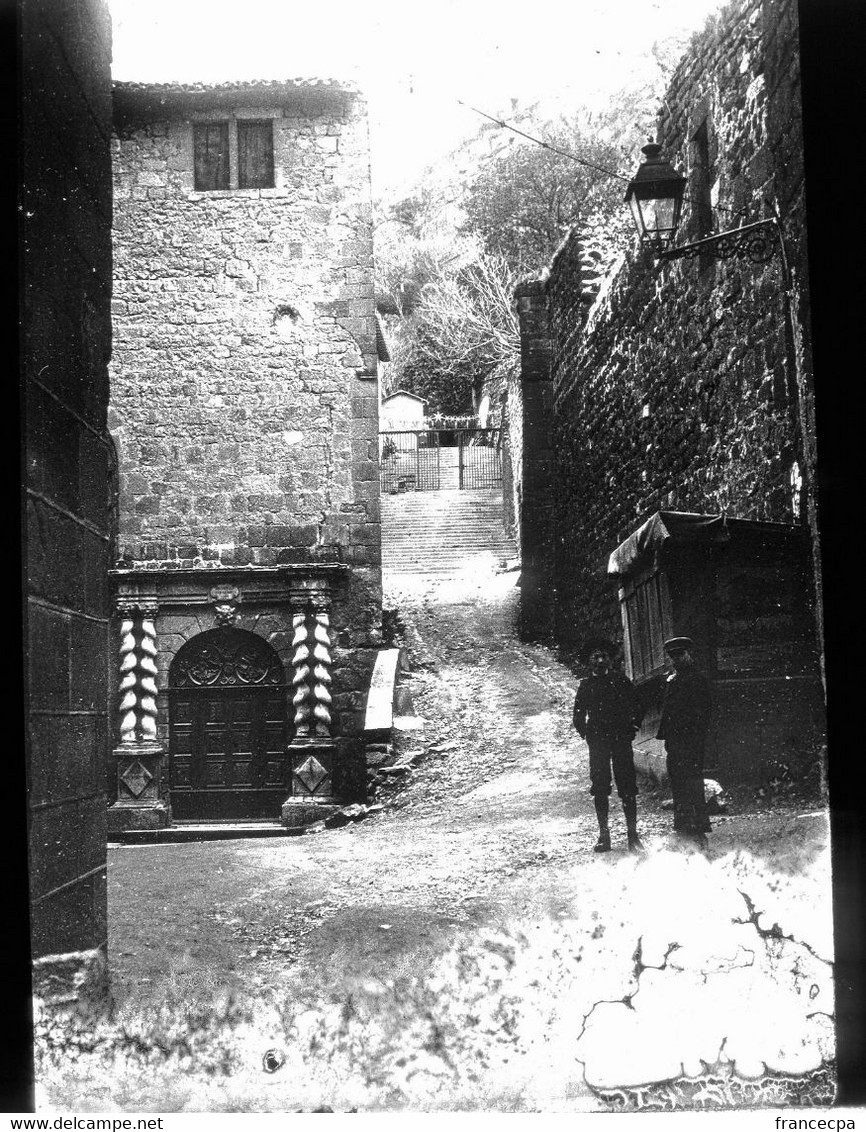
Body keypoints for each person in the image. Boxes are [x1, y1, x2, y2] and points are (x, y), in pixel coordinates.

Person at [573, 636, 645, 853]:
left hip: (621, 740)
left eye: (604, 656)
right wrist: (589, 735)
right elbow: (578, 716)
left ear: (610, 660)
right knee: (600, 787)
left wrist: (632, 728)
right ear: (589, 661)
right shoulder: (585, 686)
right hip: (599, 744)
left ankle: (633, 837)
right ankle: (604, 836)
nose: (600, 660)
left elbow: (638, 705)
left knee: (627, 786)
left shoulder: (621, 681)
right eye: (596, 657)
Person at [657, 636, 713, 850]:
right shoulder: (673, 680)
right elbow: (668, 713)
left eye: (680, 655)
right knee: (678, 785)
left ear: (690, 655)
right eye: (673, 657)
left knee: (692, 784)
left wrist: (694, 735)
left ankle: (698, 832)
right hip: (675, 742)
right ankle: (683, 830)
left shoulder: (697, 680)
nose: (677, 660)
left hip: (691, 742)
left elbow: (704, 712)